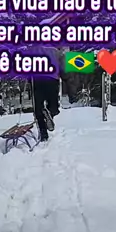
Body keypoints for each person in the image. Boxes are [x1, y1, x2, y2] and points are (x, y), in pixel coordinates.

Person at [31, 12, 70, 142]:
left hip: (38, 80)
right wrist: (65, 77)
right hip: (52, 79)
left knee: (38, 108)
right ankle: (50, 113)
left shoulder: (34, 48)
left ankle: (44, 134)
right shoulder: (56, 50)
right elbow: (63, 66)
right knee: (54, 105)